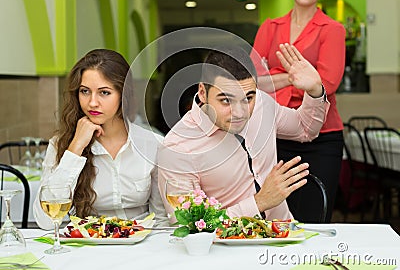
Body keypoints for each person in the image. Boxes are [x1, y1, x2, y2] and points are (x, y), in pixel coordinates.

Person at [158, 44, 329, 221]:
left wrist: (315, 90)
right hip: (225, 247)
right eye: (226, 100)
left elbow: (305, 129)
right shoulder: (178, 147)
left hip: (285, 236)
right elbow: (187, 225)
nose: (240, 112)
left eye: (248, 98)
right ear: (202, 92)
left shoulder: (261, 104)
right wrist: (258, 203)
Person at [250, 0, 346, 222]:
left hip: (322, 136)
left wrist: (277, 76)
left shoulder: (332, 29)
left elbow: (327, 82)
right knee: (276, 217)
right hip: (277, 132)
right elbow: (254, 80)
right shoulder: (270, 27)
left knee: (316, 215)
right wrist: (298, 77)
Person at [33, 49, 168, 229]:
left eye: (104, 93)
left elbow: (161, 219)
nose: (92, 102)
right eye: (85, 91)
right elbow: (46, 222)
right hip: (88, 245)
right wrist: (75, 148)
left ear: (123, 94)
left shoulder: (153, 144)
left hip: (140, 244)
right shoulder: (61, 144)